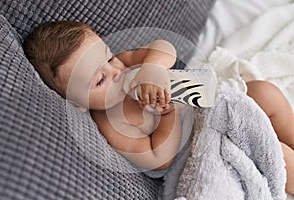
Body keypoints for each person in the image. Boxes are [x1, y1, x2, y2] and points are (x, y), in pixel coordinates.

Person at [23, 21, 294, 195]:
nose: (115, 71)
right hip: (196, 147)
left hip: (207, 104)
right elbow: (158, 157)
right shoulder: (111, 123)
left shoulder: (123, 64)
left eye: (107, 56)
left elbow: (164, 47)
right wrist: (166, 114)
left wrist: (153, 66)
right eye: (100, 79)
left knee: (264, 92)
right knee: (275, 150)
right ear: (77, 103)